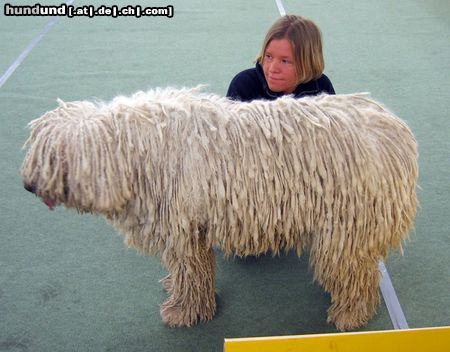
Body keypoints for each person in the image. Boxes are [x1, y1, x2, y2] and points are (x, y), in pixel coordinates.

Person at [227, 15, 335, 102]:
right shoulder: (243, 86)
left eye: (285, 61)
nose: (272, 69)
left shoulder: (321, 87)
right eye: (268, 56)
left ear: (307, 63)